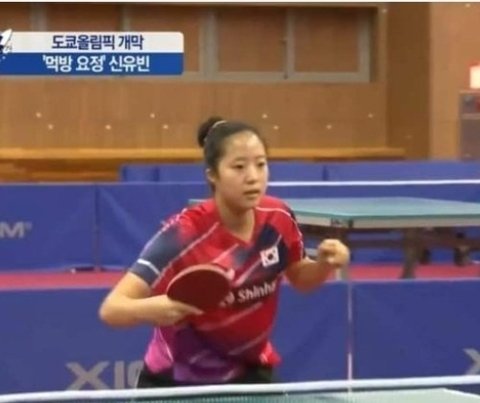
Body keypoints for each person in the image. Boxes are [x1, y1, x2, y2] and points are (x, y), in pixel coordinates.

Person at [99, 116, 350, 387]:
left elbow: (300, 278)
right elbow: (112, 309)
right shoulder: (184, 234)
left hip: (248, 373)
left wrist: (324, 265)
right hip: (176, 380)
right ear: (212, 174)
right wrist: (153, 309)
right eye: (239, 167)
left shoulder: (278, 217)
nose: (253, 177)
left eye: (261, 164)